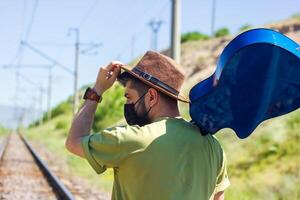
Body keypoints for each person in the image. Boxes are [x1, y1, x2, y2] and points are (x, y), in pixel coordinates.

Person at [65, 51, 230, 200]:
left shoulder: (131, 140)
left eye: (129, 97)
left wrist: (97, 91)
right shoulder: (213, 147)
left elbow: (74, 142)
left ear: (151, 97)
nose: (127, 104)